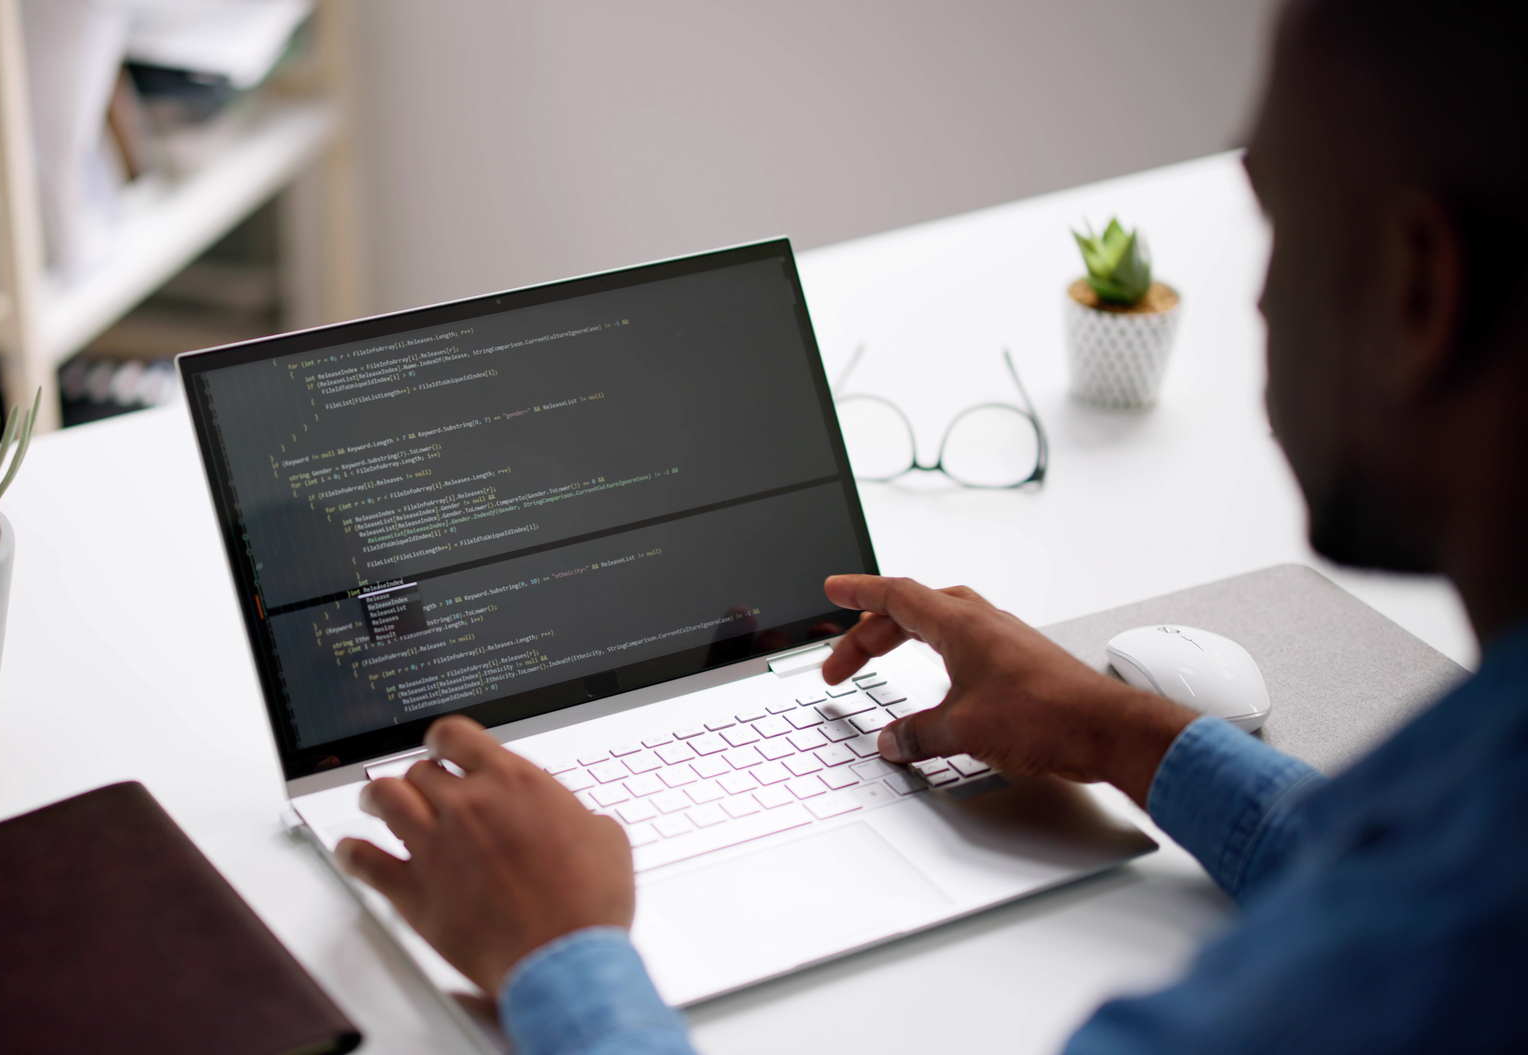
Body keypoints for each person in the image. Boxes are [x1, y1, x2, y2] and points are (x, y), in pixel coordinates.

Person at [333, 0, 1528, 1050]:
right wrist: (1121, 732)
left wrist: (563, 958)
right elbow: (1395, 861)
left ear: (1417, 289)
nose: (1259, 292)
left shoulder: (1377, 979)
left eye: (1275, 219)